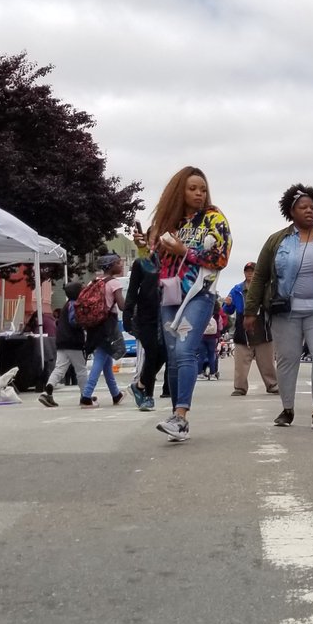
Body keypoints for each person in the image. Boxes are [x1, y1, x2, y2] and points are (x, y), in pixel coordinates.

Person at [246, 185, 313, 430]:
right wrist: (251, 311)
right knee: (287, 360)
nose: (309, 212)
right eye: (303, 207)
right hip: (286, 312)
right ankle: (287, 409)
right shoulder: (276, 240)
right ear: (291, 211)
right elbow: (260, 275)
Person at [146, 166, 232, 441]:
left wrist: (185, 251)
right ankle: (176, 417)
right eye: (192, 188)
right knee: (174, 357)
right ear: (179, 191)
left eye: (202, 189)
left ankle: (181, 416)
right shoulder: (168, 222)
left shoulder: (213, 219)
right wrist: (147, 247)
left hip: (198, 294)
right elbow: (154, 263)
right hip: (169, 295)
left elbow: (221, 258)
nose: (198, 194)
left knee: (184, 351)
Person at [80, 255, 128, 408]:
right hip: (108, 324)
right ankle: (86, 397)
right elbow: (121, 306)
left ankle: (116, 395)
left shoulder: (94, 281)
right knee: (100, 359)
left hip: (95, 325)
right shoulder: (114, 283)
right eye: (119, 263)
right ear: (111, 266)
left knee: (106, 361)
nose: (121, 265)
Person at [223, 262, 277, 396]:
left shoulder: (265, 287)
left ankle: (272, 385)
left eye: (252, 271)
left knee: (267, 362)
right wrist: (227, 304)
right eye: (247, 271)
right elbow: (228, 310)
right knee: (241, 363)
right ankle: (240, 388)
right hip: (243, 328)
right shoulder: (236, 289)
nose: (249, 273)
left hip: (262, 326)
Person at [124, 239, 164, 411]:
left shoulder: (174, 262)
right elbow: (132, 290)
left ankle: (139, 384)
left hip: (167, 314)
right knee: (152, 353)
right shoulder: (141, 262)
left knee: (163, 355)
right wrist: (127, 314)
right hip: (146, 316)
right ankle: (148, 396)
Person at [37, 282, 88, 408]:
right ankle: (85, 395)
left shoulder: (67, 305)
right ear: (77, 293)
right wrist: (84, 323)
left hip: (62, 342)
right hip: (74, 342)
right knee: (81, 370)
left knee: (59, 368)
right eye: (82, 289)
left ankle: (47, 391)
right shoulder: (74, 305)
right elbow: (74, 321)